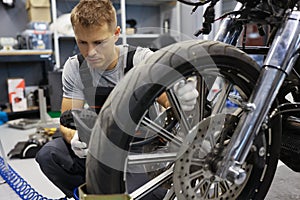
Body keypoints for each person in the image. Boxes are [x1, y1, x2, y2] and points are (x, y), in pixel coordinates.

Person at [35, 0, 199, 198]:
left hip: (141, 151)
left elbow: (167, 100)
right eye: (82, 42)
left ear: (116, 34)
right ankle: (88, 195)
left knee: (140, 194)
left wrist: (181, 99)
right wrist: (75, 138)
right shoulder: (75, 68)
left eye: (98, 42)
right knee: (49, 155)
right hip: (100, 147)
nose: (90, 52)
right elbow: (67, 120)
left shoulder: (141, 60)